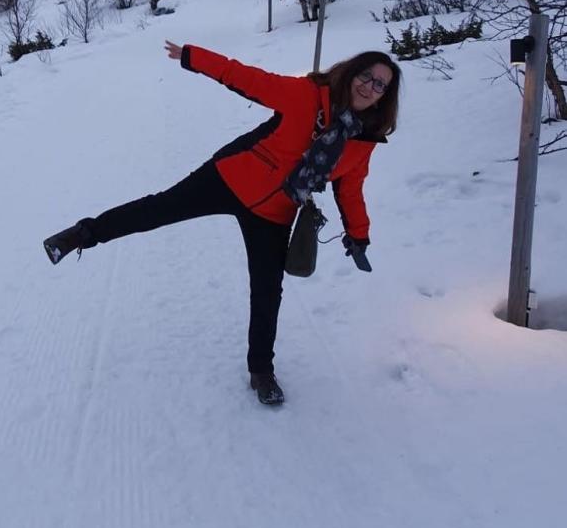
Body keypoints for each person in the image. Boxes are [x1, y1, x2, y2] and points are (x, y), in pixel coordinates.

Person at [43, 40, 401, 405]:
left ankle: (261, 371)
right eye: (366, 75)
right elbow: (245, 77)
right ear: (351, 73)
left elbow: (351, 191)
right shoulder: (307, 95)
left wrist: (359, 236)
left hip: (273, 213)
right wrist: (192, 56)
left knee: (267, 292)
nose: (369, 86)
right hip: (231, 177)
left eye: (379, 85)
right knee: (157, 209)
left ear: (384, 97)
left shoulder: (362, 143)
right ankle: (82, 234)